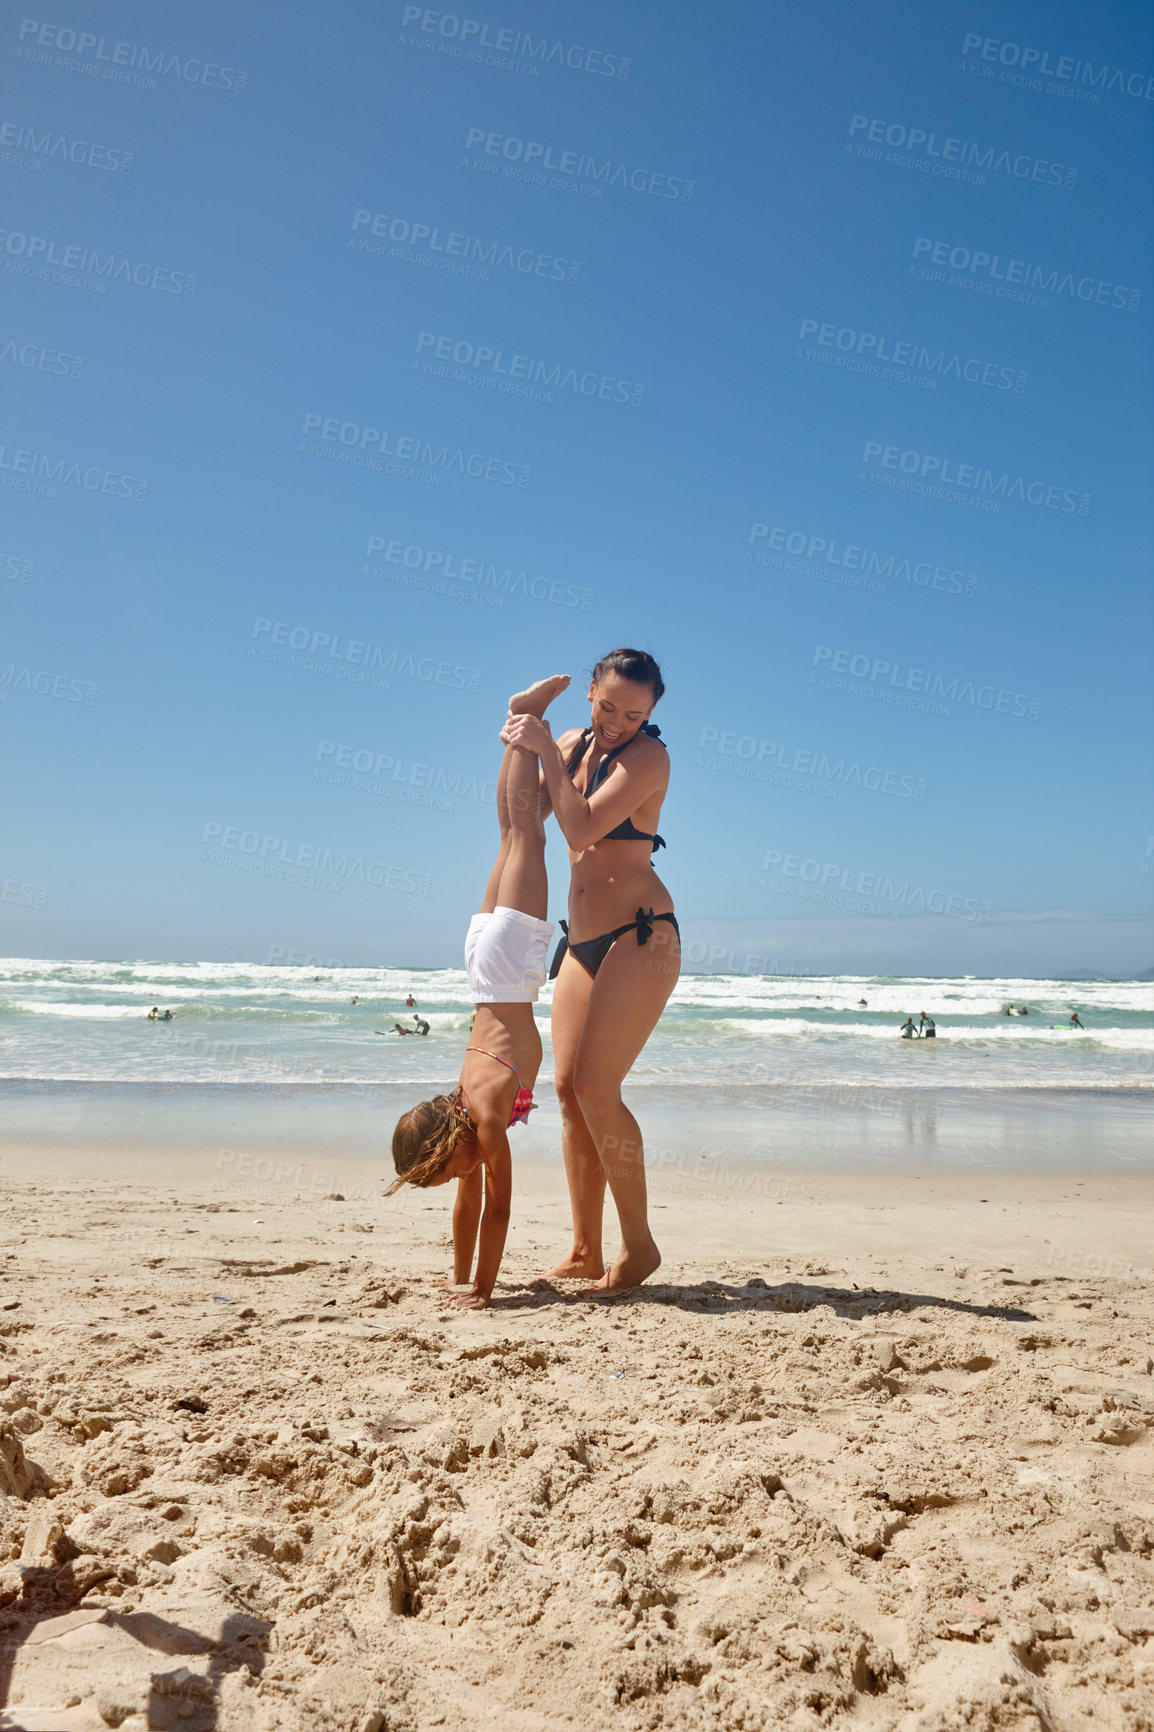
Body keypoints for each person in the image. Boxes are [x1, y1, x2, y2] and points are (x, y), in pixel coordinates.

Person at [501, 648, 678, 1295]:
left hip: (641, 937)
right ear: (591, 696)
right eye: (608, 707)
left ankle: (639, 1250)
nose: (618, 722)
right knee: (569, 1091)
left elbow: (578, 831)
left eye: (634, 713)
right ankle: (583, 1250)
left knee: (599, 1089)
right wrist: (522, 734)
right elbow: (521, 819)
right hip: (582, 941)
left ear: (651, 712)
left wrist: (546, 752)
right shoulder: (573, 745)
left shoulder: (648, 759)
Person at [388, 675, 567, 1310]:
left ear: (451, 1143)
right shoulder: (465, 1108)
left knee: (525, 836)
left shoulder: (486, 1120)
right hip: (484, 969)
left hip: (509, 969)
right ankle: (543, 747)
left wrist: (485, 1293)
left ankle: (524, 720)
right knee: (516, 833)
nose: (457, 1181)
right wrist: (458, 1278)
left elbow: (497, 1211)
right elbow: (470, 1202)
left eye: (447, 1171)